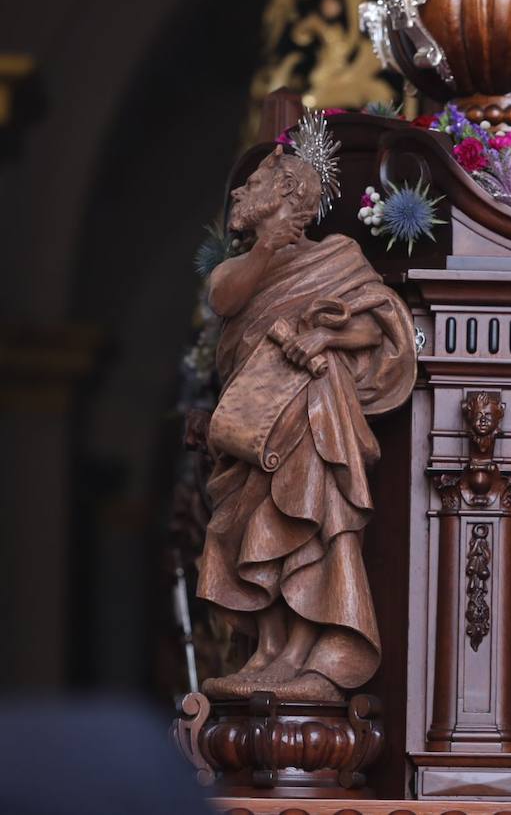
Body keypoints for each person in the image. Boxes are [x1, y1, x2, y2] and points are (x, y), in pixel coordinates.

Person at [198, 142, 416, 703]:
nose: (240, 195)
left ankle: (301, 652)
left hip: (313, 415)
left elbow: (379, 326)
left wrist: (324, 335)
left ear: (287, 194)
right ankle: (268, 650)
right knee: (243, 526)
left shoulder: (337, 257)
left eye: (253, 186)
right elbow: (226, 299)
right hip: (249, 421)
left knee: (303, 519)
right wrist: (265, 249)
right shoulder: (236, 266)